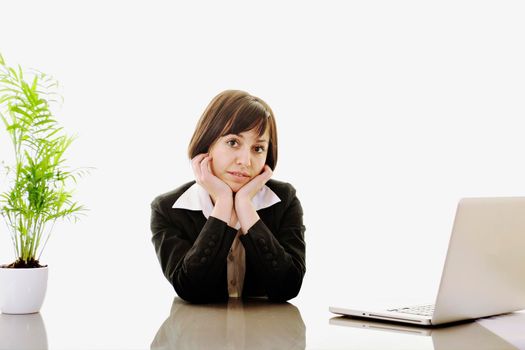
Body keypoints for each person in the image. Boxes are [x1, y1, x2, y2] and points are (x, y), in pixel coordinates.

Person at [150, 90, 305, 303]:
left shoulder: (284, 200)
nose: (246, 161)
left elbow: (288, 287)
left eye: (258, 148)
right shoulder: (168, 209)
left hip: (264, 333)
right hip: (199, 333)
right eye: (233, 142)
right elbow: (191, 290)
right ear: (207, 144)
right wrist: (223, 204)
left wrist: (245, 207)